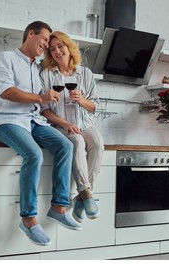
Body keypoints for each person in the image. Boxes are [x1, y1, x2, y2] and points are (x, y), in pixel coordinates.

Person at [0, 21, 81, 246]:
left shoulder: (38, 68)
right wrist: (41, 98)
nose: (47, 45)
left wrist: (63, 121)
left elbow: (48, 100)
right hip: (8, 121)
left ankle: (59, 207)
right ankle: (29, 219)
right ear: (31, 34)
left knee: (66, 145)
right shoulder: (6, 58)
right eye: (45, 39)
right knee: (34, 154)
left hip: (33, 121)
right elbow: (6, 92)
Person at [40, 31, 104, 224]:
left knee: (98, 144)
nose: (57, 51)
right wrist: (65, 123)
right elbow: (44, 110)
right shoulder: (47, 75)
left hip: (84, 123)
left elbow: (94, 107)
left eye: (61, 46)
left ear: (69, 47)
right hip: (61, 125)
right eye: (52, 49)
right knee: (76, 141)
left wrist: (81, 100)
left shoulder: (85, 73)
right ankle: (86, 193)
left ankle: (82, 198)